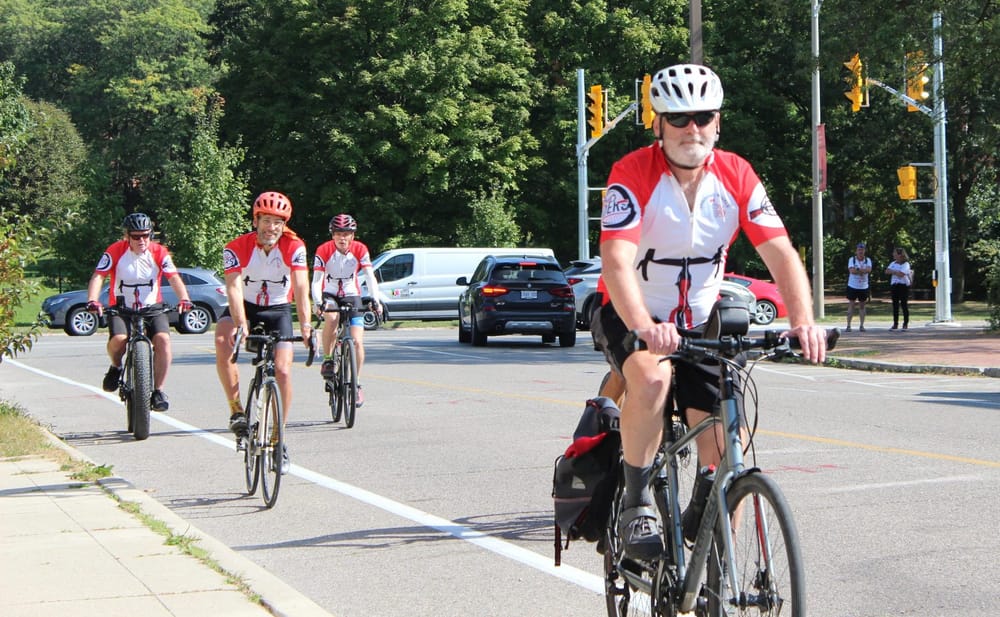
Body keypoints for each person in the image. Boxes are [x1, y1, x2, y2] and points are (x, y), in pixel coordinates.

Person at [592, 64, 827, 560]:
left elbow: (781, 253)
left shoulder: (737, 175)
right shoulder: (632, 173)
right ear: (658, 125)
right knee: (652, 381)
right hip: (631, 313)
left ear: (717, 123)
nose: (690, 129)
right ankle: (637, 501)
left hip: (698, 323)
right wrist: (644, 327)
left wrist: (803, 320)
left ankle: (715, 558)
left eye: (702, 117)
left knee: (727, 437)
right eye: (677, 118)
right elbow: (616, 263)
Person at [214, 191, 313, 471]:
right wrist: (241, 322)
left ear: (284, 225)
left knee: (282, 370)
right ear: (255, 220)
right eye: (266, 221)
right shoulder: (236, 246)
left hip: (278, 309)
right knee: (223, 338)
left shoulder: (294, 246)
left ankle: (279, 439)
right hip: (245, 305)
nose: (272, 228)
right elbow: (233, 287)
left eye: (277, 222)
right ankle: (236, 410)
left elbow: (302, 287)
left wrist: (305, 324)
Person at [86, 213, 193, 412]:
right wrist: (92, 300)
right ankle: (116, 366)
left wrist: (184, 299)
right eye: (136, 236)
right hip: (122, 308)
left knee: (163, 340)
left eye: (145, 235)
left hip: (152, 307)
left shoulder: (159, 252)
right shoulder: (115, 251)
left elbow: (174, 277)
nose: (142, 240)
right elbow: (98, 276)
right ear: (127, 236)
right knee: (119, 339)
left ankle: (159, 390)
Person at [311, 213, 382, 407]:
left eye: (346, 234)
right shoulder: (324, 250)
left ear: (353, 235)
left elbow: (369, 276)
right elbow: (317, 280)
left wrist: (376, 300)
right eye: (338, 233)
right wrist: (318, 302)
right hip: (330, 292)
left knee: (357, 341)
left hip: (352, 293)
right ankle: (328, 359)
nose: (342, 238)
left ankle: (356, 384)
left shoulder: (360, 249)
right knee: (332, 319)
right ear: (332, 235)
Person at [845, 242, 872, 332]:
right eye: (859, 250)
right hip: (853, 286)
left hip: (863, 286)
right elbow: (852, 270)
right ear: (856, 251)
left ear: (865, 251)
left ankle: (862, 325)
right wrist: (861, 271)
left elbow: (868, 270)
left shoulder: (868, 260)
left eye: (862, 250)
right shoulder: (851, 259)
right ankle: (848, 325)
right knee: (851, 305)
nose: (860, 251)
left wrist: (858, 270)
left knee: (862, 306)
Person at [885, 247, 912, 330]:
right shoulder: (893, 263)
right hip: (894, 285)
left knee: (904, 304)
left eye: (895, 253)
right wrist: (895, 272)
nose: (893, 255)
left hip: (903, 286)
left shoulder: (906, 264)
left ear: (900, 255)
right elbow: (887, 271)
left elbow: (901, 274)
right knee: (895, 305)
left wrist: (893, 271)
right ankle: (895, 323)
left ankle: (905, 323)